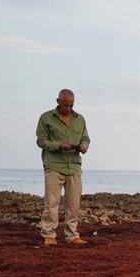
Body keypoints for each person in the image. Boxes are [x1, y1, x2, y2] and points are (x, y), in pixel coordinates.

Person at [36, 88, 91, 246]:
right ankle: (49, 235)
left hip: (73, 166)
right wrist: (58, 146)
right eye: (65, 105)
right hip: (54, 165)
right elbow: (41, 141)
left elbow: (86, 138)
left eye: (71, 105)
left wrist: (83, 147)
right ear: (58, 101)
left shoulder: (79, 119)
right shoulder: (46, 118)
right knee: (52, 203)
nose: (68, 108)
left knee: (73, 203)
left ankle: (72, 235)